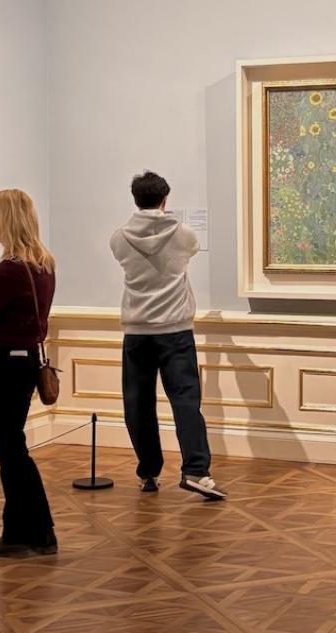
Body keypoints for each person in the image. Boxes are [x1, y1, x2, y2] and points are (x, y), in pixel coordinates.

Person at [109, 171, 226, 500]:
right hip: (175, 330)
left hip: (136, 330)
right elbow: (188, 253)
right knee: (186, 402)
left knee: (138, 404)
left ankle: (148, 471)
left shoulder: (119, 237)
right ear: (165, 199)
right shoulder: (183, 233)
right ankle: (196, 471)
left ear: (135, 198)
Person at [0, 188, 58, 556]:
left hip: (0, 366)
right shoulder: (44, 265)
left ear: (6, 219)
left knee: (11, 451)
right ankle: (22, 531)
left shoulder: (6, 271)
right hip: (27, 362)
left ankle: (40, 530)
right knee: (12, 446)